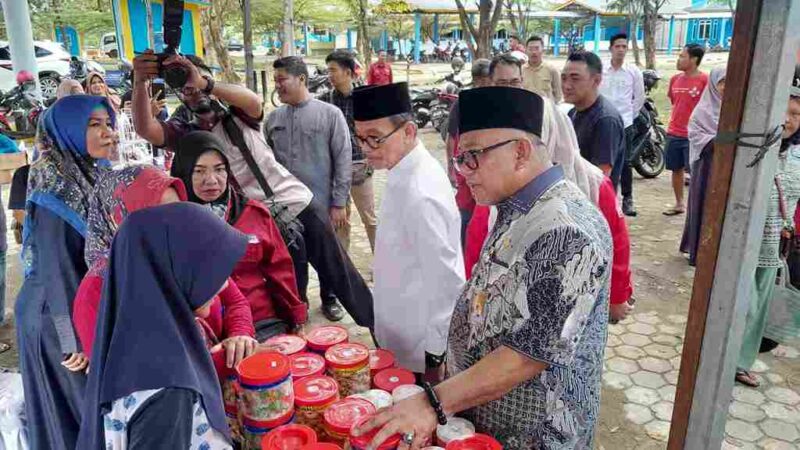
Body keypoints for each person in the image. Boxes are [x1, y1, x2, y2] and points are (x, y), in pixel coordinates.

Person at [354, 87, 611, 449]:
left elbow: (525, 356)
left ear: (520, 152)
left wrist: (434, 401)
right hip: (486, 411)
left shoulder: (565, 228)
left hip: (536, 433)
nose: (462, 172)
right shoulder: (516, 205)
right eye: (460, 159)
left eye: (472, 157)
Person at [131, 52, 373, 328]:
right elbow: (146, 129)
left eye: (196, 80)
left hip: (297, 203)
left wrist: (205, 84)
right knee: (290, 288)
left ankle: (379, 330)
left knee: (342, 275)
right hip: (261, 221)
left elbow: (253, 100)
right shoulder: (187, 133)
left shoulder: (238, 113)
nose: (192, 89)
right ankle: (298, 344)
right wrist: (140, 82)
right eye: (185, 86)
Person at [77, 203, 246, 449]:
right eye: (210, 271)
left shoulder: (134, 337)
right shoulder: (167, 391)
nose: (222, 287)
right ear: (172, 268)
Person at [463, 97, 634, 322]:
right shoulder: (496, 191)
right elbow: (475, 255)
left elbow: (616, 242)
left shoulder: (593, 184)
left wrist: (617, 297)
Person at [72, 165, 257, 369]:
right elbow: (127, 376)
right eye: (164, 215)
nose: (178, 225)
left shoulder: (186, 252)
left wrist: (240, 335)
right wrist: (223, 360)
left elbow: (235, 301)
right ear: (123, 219)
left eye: (179, 210)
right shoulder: (97, 293)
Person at [15, 95, 117, 450]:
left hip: (75, 307)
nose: (108, 133)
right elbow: (58, 270)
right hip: (54, 317)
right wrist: (75, 338)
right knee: (77, 409)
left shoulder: (90, 172)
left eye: (108, 123)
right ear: (68, 131)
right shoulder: (54, 189)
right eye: (94, 125)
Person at [353, 82, 464, 378]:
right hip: (398, 332)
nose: (365, 149)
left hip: (419, 350)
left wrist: (434, 357)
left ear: (409, 131)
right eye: (360, 138)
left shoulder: (422, 191)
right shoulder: (400, 168)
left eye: (375, 138)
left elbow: (447, 285)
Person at [171, 131, 308, 341]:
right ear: (183, 172)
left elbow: (280, 271)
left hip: (261, 323)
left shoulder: (253, 213)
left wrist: (297, 319)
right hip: (204, 334)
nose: (211, 180)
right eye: (199, 171)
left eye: (219, 170)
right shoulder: (172, 223)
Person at [266, 56, 371, 323]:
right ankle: (297, 304)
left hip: (322, 203)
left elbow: (342, 160)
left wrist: (338, 203)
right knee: (292, 257)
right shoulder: (273, 119)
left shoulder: (329, 114)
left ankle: (330, 299)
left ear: (301, 79)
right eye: (275, 80)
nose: (277, 86)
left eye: (282, 80)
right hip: (285, 207)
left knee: (329, 256)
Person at [735, 73, 800, 388]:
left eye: (795, 114)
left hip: (773, 248)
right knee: (739, 304)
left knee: (757, 309)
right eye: (784, 112)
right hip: (742, 242)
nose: (788, 120)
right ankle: (720, 355)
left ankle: (741, 361)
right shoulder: (754, 150)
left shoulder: (797, 156)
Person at [324, 50, 378, 253]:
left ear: (347, 72)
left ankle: (381, 263)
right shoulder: (326, 100)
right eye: (328, 70)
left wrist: (371, 156)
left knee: (370, 219)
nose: (329, 75)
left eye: (333, 70)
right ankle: (344, 269)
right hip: (336, 169)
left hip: (360, 166)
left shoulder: (365, 97)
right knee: (340, 221)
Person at [680, 68, 726, 266]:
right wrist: (720, 140)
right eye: (722, 82)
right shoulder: (703, 111)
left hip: (726, 167)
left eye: (729, 81)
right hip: (706, 165)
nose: (725, 87)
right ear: (714, 84)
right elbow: (696, 136)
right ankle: (697, 252)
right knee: (703, 204)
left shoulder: (735, 109)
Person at [446, 58, 492, 245]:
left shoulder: (496, 102)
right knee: (465, 215)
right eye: (482, 81)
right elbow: (451, 138)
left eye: (488, 80)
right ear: (476, 80)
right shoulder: (462, 103)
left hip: (490, 171)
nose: (485, 84)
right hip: (466, 170)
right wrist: (451, 168)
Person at [600, 33, 645, 217]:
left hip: (625, 123)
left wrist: (629, 117)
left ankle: (627, 199)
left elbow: (639, 98)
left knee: (625, 162)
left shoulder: (633, 72)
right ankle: (604, 198)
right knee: (602, 161)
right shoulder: (601, 70)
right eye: (617, 46)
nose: (621, 49)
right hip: (603, 123)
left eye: (624, 46)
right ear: (611, 48)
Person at [563, 51, 625, 179]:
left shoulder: (606, 120)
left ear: (596, 80)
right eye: (564, 78)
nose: (567, 85)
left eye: (575, 79)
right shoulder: (572, 113)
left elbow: (600, 178)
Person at [663, 44, 708, 216]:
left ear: (694, 59)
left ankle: (697, 207)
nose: (678, 59)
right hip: (674, 132)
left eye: (682, 56)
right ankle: (679, 203)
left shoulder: (705, 80)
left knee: (697, 171)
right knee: (676, 169)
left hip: (695, 135)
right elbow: (674, 101)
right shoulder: (675, 79)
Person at [522, 36, 562, 103]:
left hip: (546, 110)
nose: (534, 52)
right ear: (526, 50)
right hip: (526, 109)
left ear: (542, 49)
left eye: (537, 48)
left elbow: (558, 94)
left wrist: (550, 106)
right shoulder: (521, 70)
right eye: (530, 49)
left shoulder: (552, 69)